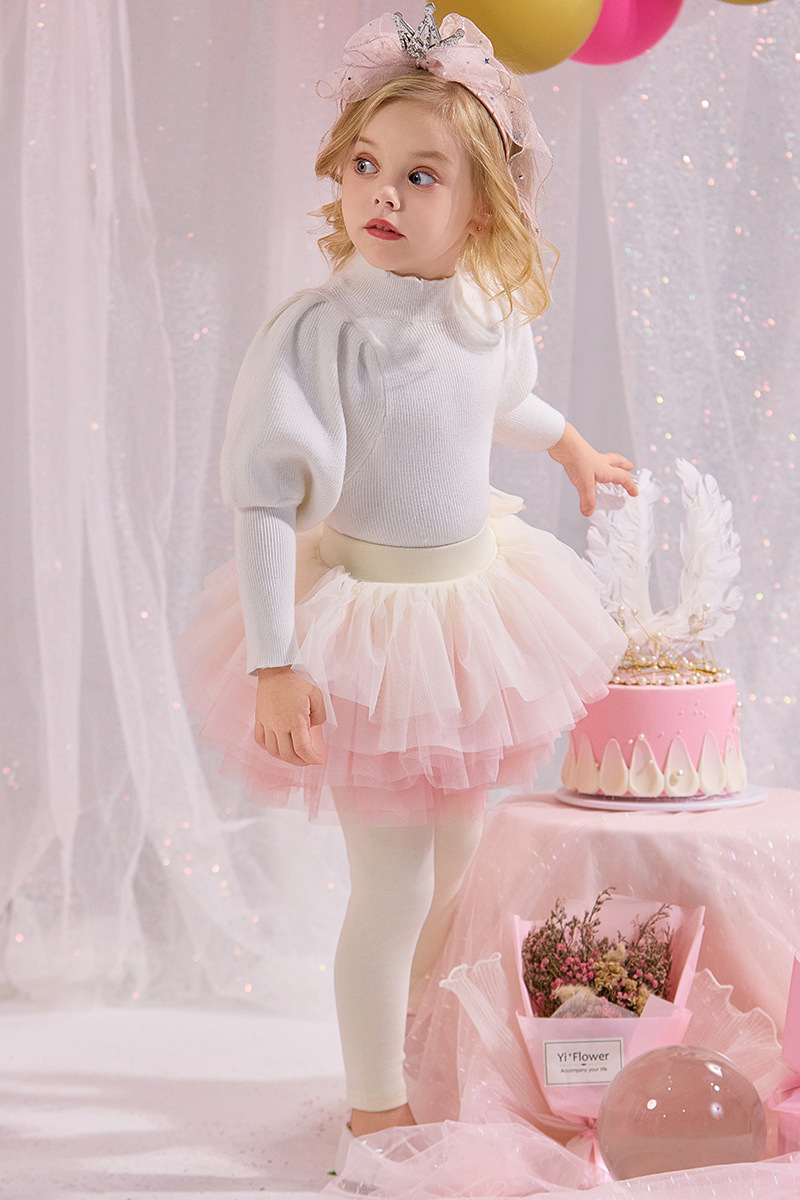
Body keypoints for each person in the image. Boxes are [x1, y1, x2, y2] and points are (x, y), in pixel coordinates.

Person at [179, 5, 637, 1146]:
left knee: (464, 868)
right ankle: (376, 1109)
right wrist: (276, 662)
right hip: (370, 639)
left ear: (479, 204)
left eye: (419, 175)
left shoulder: (481, 310)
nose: (380, 194)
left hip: (471, 620)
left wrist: (573, 448)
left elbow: (497, 402)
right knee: (389, 885)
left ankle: (433, 1048)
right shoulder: (321, 334)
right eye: (365, 166)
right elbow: (265, 501)